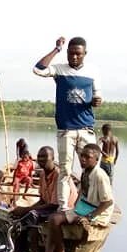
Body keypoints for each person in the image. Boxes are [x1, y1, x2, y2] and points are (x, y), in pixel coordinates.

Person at [32, 36, 102, 210]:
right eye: (71, 53)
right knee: (65, 171)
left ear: (85, 53)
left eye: (78, 54)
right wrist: (57, 49)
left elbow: (97, 96)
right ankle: (63, 208)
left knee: (92, 171)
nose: (74, 57)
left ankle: (88, 208)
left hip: (86, 128)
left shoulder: (93, 72)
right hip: (66, 130)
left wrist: (97, 101)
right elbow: (38, 69)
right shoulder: (59, 70)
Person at [25, 144, 113, 252]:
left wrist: (89, 217)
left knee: (55, 218)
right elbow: (81, 193)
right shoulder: (85, 171)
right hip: (84, 208)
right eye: (81, 156)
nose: (83, 159)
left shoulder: (100, 175)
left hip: (98, 212)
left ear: (96, 159)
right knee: (54, 218)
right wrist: (74, 210)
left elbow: (108, 202)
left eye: (87, 157)